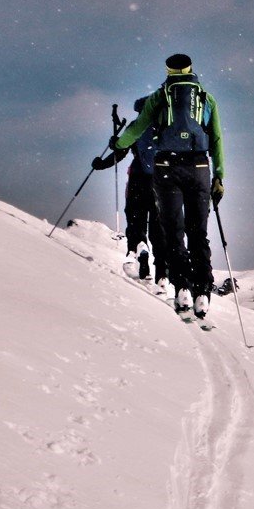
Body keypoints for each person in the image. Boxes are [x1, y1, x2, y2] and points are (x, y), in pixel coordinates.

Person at [107, 53, 225, 318]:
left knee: (173, 231)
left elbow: (137, 128)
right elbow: (216, 138)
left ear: (168, 71)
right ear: (191, 69)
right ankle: (202, 292)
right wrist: (219, 176)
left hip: (166, 168)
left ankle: (181, 287)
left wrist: (119, 144)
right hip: (199, 169)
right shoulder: (207, 99)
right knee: (198, 234)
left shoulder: (159, 97)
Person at [92, 96, 170, 296]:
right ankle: (162, 273)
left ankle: (138, 252)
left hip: (137, 179)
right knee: (158, 227)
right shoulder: (167, 129)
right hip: (161, 182)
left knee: (135, 218)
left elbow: (120, 152)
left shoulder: (136, 127)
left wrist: (101, 164)